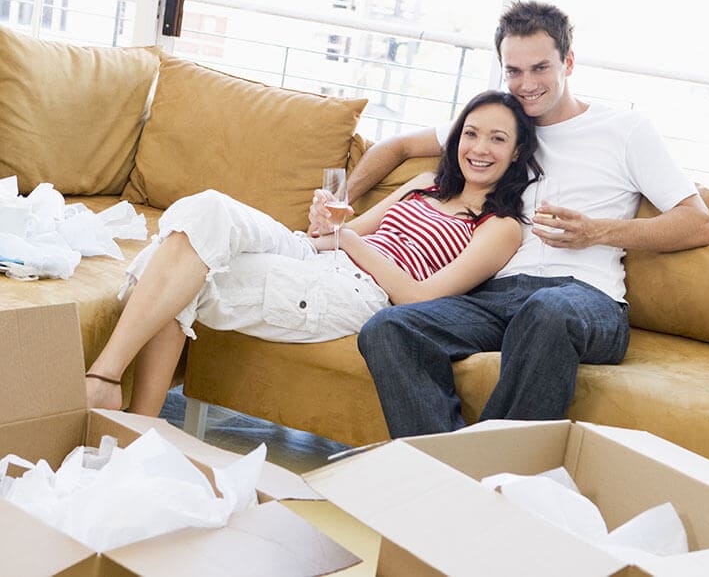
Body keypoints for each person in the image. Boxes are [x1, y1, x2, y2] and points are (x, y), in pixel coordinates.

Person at [329, 0, 709, 437]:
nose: (526, 84)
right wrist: (342, 201)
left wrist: (597, 231)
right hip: (497, 297)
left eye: (540, 68)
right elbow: (396, 147)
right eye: (513, 71)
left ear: (568, 62)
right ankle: (441, 466)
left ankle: (494, 471)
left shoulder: (624, 129)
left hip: (585, 299)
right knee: (389, 327)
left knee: (546, 309)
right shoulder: (502, 127)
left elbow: (698, 222)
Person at [85, 90, 543, 416]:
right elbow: (346, 231)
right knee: (205, 216)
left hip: (361, 292)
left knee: (182, 262)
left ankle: (120, 402)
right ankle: (119, 398)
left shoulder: (501, 228)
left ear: (518, 150)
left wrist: (348, 241)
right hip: (317, 256)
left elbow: (419, 298)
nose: (479, 148)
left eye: (497, 139)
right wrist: (324, 225)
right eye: (471, 133)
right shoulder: (426, 184)